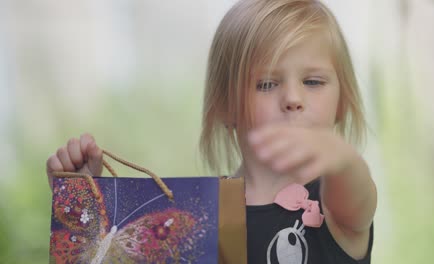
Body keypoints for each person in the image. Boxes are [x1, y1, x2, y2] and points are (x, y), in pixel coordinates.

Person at [46, 0, 377, 263]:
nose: (293, 98)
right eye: (266, 84)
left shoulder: (336, 202)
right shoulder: (199, 214)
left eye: (313, 82)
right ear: (224, 106)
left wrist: (342, 158)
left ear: (343, 103)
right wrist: (86, 200)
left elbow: (358, 196)